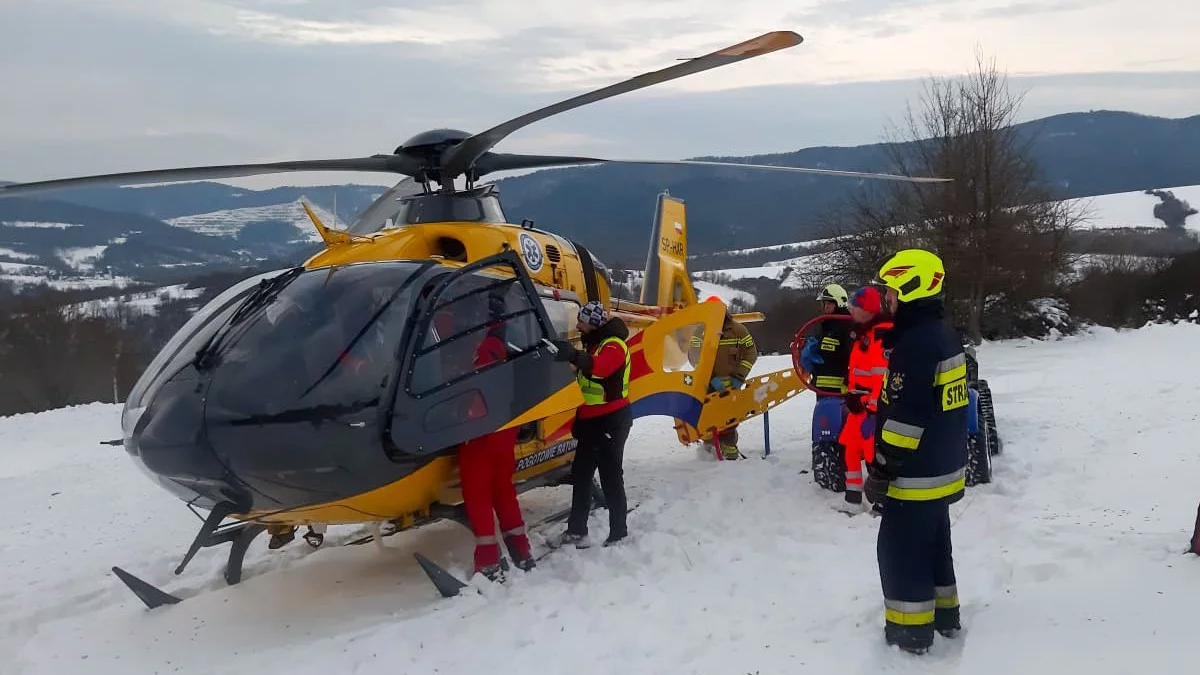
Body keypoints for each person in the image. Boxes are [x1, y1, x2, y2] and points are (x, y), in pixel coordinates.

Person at [864, 248, 969, 654]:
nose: (886, 299)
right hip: (941, 468)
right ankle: (945, 616)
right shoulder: (943, 334)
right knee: (935, 545)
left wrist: (884, 468)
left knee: (900, 552)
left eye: (891, 291)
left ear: (910, 287)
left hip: (915, 475)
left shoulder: (916, 345)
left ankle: (910, 633)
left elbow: (908, 417)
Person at [457, 298, 535, 581]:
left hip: (480, 437)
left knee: (478, 496)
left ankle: (488, 559)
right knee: (503, 491)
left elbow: (476, 397)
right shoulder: (504, 350)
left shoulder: (485, 351)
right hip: (504, 434)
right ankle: (521, 549)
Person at [552, 300, 633, 548]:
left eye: (582, 320)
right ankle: (577, 531)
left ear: (594, 323)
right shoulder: (594, 343)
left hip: (611, 422)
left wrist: (575, 356)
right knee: (582, 476)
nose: (578, 324)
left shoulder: (614, 346)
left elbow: (601, 369)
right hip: (592, 422)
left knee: (610, 477)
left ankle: (618, 533)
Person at [836, 285, 892, 515]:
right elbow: (858, 372)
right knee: (850, 449)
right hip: (858, 406)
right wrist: (851, 396)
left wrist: (871, 408)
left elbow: (881, 377)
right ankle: (852, 500)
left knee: (874, 457)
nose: (850, 311)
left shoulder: (881, 336)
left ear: (866, 311)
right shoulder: (863, 334)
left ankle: (881, 504)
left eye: (854, 307)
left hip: (873, 410)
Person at [689, 295, 758, 459]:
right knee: (708, 417)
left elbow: (751, 352)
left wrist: (739, 376)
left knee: (729, 420)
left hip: (731, 384)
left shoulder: (737, 330)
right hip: (709, 385)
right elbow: (694, 357)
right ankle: (709, 450)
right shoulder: (700, 332)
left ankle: (730, 451)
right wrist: (708, 378)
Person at [799, 283, 853, 395]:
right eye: (824, 303)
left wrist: (848, 381)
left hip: (838, 390)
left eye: (829, 303)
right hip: (822, 389)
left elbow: (853, 357)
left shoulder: (847, 326)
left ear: (839, 303)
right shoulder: (826, 325)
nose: (825, 307)